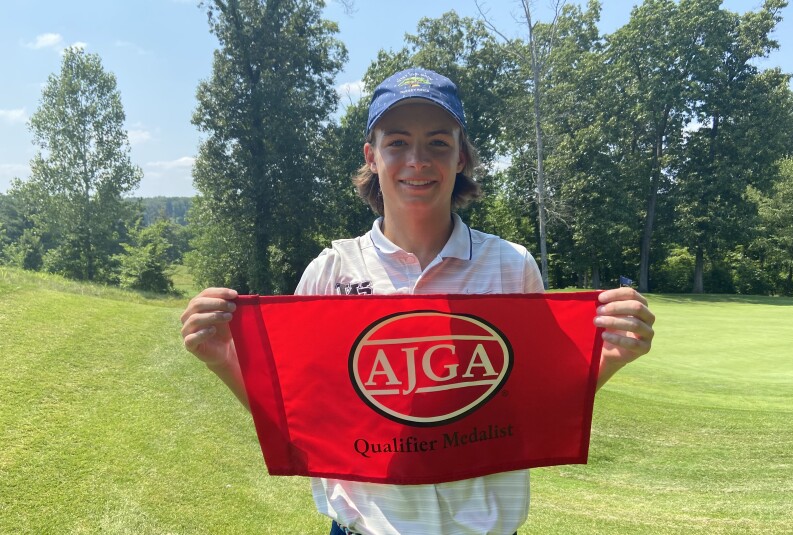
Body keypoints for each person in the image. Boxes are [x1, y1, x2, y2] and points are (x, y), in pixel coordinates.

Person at [180, 68, 656, 535]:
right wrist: (223, 360)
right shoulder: (331, 273)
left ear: (461, 157)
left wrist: (607, 360)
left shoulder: (511, 267)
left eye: (438, 143)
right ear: (372, 155)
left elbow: (533, 408)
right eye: (398, 142)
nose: (418, 159)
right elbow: (302, 420)